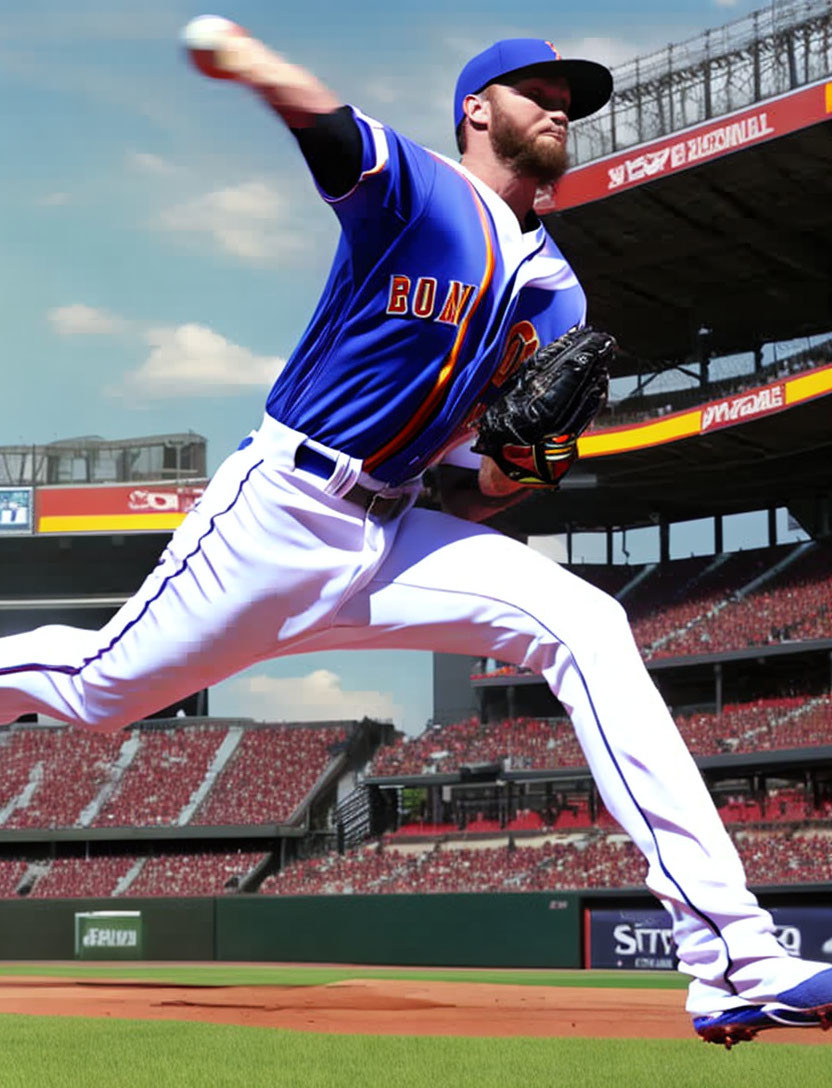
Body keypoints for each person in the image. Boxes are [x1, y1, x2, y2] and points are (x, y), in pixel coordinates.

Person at [1, 19, 831, 1045]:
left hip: (396, 530)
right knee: (97, 693)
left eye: (569, 97)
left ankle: (733, 956)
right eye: (536, 89)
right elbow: (329, 128)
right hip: (281, 512)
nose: (559, 105)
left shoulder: (557, 292)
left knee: (585, 624)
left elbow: (484, 485)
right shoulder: (423, 192)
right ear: (476, 108)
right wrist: (243, 56)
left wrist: (525, 463)